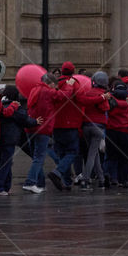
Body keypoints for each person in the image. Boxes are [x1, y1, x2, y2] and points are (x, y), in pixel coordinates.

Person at [0, 85, 36, 195]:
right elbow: (24, 119)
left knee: (5, 162)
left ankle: (6, 187)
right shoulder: (16, 106)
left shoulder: (0, 105)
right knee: (6, 163)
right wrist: (36, 122)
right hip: (9, 138)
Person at [47, 62, 83, 191]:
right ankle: (57, 172)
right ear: (73, 71)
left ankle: (67, 182)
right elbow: (81, 99)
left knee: (62, 153)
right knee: (72, 152)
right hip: (71, 123)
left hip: (56, 123)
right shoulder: (74, 83)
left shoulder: (54, 83)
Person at [23, 74, 56, 193]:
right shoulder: (48, 92)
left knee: (36, 157)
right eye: (54, 85)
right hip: (43, 128)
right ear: (51, 83)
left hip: (31, 127)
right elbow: (64, 96)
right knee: (39, 157)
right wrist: (69, 86)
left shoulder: (34, 89)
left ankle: (39, 183)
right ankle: (30, 182)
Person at [104, 81, 128, 188]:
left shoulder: (110, 98)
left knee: (111, 156)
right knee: (125, 156)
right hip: (126, 131)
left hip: (111, 130)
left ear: (113, 88)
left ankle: (110, 176)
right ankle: (124, 180)